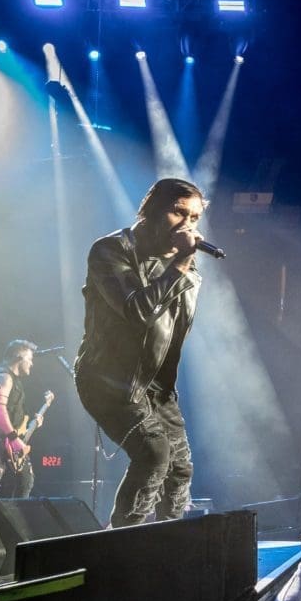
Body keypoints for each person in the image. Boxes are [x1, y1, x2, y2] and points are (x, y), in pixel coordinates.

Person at [74, 178, 205, 528]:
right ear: (151, 210)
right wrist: (179, 266)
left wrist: (182, 269)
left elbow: (173, 335)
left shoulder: (187, 269)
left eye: (194, 217)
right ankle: (122, 545)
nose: (187, 225)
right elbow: (137, 311)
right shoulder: (110, 251)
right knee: (153, 455)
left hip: (154, 387)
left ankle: (169, 545)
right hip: (107, 379)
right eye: (179, 212)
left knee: (180, 469)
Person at [0, 339, 41, 502]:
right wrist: (13, 437)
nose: (31, 364)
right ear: (19, 356)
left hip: (10, 439)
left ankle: (17, 517)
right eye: (29, 359)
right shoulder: (3, 376)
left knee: (26, 481)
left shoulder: (12, 379)